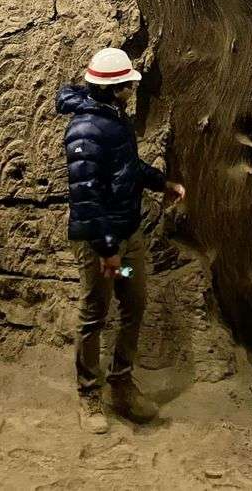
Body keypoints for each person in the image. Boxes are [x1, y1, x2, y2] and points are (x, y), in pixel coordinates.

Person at [56, 46, 186, 434]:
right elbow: (87, 197)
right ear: (115, 89)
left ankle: (122, 383)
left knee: (134, 304)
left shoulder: (113, 119)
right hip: (101, 242)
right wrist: (108, 249)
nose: (133, 89)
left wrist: (162, 182)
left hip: (128, 234)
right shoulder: (85, 130)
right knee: (94, 315)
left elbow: (126, 168)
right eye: (128, 84)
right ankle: (89, 394)